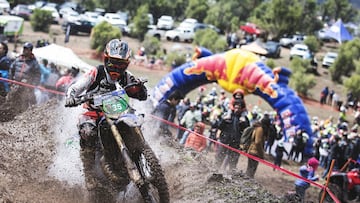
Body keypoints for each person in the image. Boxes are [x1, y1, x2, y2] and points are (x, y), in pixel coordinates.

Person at [64, 39, 148, 190]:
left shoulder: (126, 76)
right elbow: (77, 86)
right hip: (94, 112)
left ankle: (144, 157)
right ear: (106, 59)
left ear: (126, 64)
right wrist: (71, 96)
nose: (116, 67)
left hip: (118, 111)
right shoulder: (97, 72)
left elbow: (140, 94)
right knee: (88, 132)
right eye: (113, 62)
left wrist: (140, 89)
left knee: (137, 121)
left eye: (121, 64)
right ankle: (89, 174)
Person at [6, 42, 41, 115]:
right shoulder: (18, 59)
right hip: (15, 84)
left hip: (27, 87)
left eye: (26, 49)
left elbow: (37, 75)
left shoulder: (34, 62)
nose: (24, 50)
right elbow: (11, 69)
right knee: (10, 99)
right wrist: (10, 80)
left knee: (26, 102)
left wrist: (33, 84)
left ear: (30, 51)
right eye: (24, 48)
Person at [216, 100, 250, 171]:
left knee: (233, 163)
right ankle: (215, 173)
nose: (237, 109)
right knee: (219, 159)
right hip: (224, 141)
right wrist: (223, 120)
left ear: (242, 109)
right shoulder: (227, 115)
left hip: (236, 144)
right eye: (235, 107)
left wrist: (243, 123)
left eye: (239, 108)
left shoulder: (245, 119)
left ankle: (230, 177)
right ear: (233, 108)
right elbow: (219, 126)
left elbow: (247, 132)